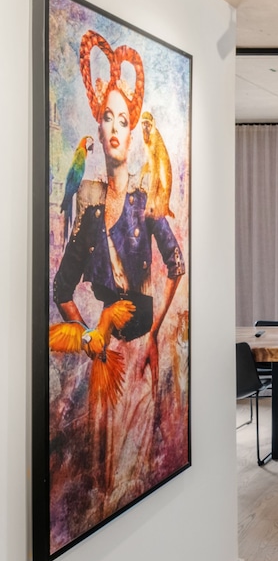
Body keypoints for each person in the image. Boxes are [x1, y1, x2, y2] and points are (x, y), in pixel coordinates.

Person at [53, 29, 185, 389]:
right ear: (98, 128)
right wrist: (89, 338)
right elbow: (61, 289)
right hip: (108, 349)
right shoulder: (91, 206)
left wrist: (154, 334)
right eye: (108, 117)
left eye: (123, 121)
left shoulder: (143, 199)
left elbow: (176, 264)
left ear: (131, 135)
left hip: (143, 344)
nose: (114, 127)